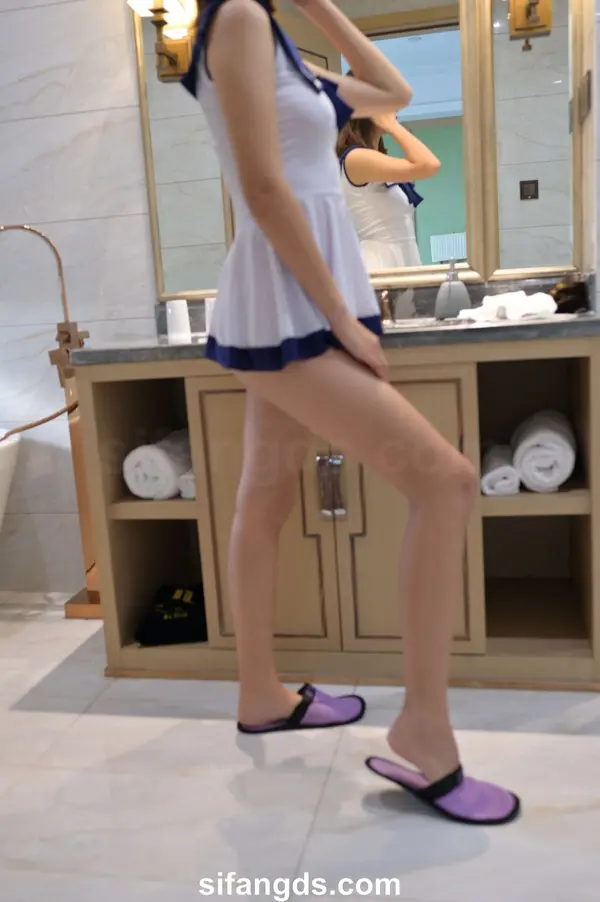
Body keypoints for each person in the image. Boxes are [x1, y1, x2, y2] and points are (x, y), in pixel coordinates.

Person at [181, 0, 519, 825]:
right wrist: (340, 316)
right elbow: (264, 188)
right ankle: (424, 729)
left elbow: (392, 93)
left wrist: (320, 10)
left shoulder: (281, 45)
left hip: (296, 293)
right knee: (446, 482)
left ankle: (260, 692)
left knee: (265, 493)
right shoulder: (237, 18)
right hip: (293, 298)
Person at [337, 106, 439, 270]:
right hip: (378, 262)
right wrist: (392, 126)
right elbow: (429, 165)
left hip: (401, 259)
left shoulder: (374, 158)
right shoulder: (355, 158)